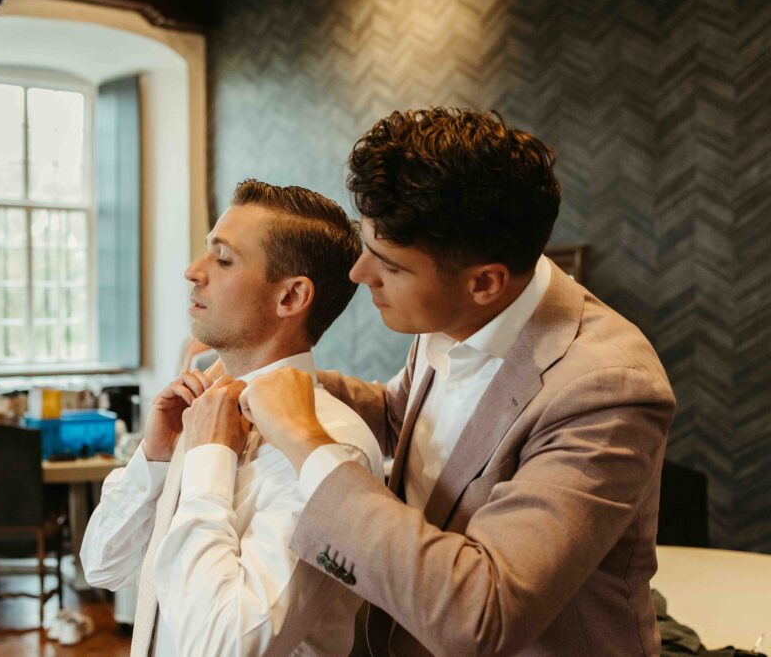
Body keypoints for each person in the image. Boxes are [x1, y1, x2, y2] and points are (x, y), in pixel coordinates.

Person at [240, 108, 676, 656]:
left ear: (485, 283)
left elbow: (483, 615)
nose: (358, 274)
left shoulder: (608, 388)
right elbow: (405, 416)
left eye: (389, 265)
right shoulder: (450, 313)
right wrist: (276, 380)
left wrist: (306, 441)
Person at [81, 180, 384, 656]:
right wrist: (154, 459)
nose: (192, 271)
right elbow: (105, 566)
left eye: (223, 260)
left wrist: (210, 463)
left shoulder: (330, 448)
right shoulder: (199, 412)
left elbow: (224, 646)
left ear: (291, 297)